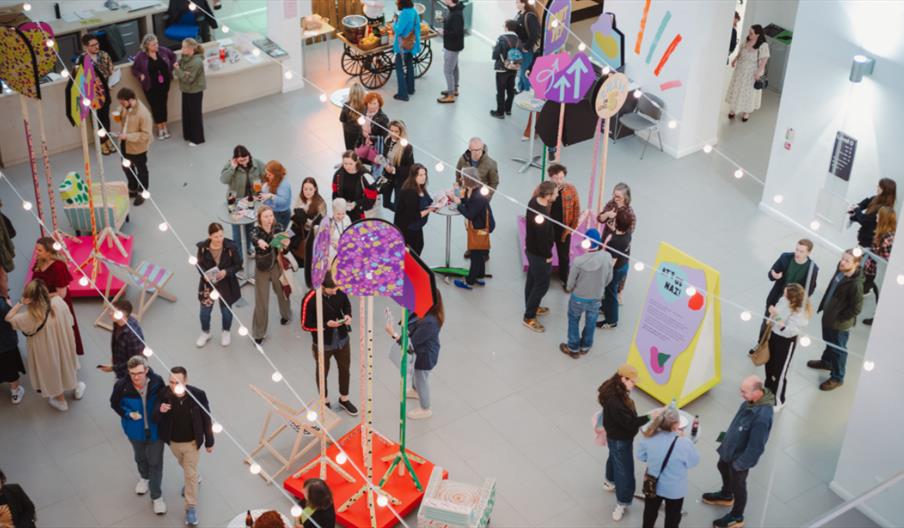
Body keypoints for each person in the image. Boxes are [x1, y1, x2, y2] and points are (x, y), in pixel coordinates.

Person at [702, 376, 774, 528]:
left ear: (757, 392)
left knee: (739, 485)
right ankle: (726, 494)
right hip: (730, 448)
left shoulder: (762, 417)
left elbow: (756, 447)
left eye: (744, 391)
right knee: (721, 465)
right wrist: (726, 439)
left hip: (739, 459)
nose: (741, 394)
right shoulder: (750, 402)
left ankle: (737, 516)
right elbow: (737, 423)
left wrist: (740, 465)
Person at [5, 280, 83, 411]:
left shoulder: (29, 317)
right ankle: (75, 387)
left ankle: (61, 401)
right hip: (62, 342)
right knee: (66, 363)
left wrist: (20, 303)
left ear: (29, 298)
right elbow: (70, 321)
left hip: (45, 349)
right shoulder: (58, 302)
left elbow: (8, 318)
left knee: (52, 369)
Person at [154, 366, 214, 527]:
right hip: (173, 443)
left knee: (189, 473)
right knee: (187, 468)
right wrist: (160, 410)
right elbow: (154, 416)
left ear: (186, 381)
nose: (174, 386)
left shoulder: (198, 395)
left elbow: (206, 419)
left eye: (178, 382)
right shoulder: (163, 394)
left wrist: (209, 441)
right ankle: (194, 478)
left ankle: (191, 508)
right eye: (171, 382)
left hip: (192, 443)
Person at [110, 355, 167, 515]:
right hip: (135, 430)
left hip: (156, 430)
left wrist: (161, 410)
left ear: (146, 370)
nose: (136, 377)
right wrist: (128, 414)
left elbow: (164, 399)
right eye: (132, 373)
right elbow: (114, 403)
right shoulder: (121, 385)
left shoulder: (157, 381)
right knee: (140, 457)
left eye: (139, 373)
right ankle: (144, 477)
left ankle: (157, 497)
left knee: (156, 463)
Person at [300, 272, 358, 416]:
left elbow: (347, 306)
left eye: (337, 288)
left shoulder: (339, 290)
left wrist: (348, 316)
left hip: (342, 340)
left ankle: (344, 399)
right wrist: (325, 325)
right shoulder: (310, 299)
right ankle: (324, 401)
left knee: (345, 370)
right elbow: (305, 325)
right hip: (323, 344)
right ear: (323, 287)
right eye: (332, 289)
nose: (336, 291)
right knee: (322, 373)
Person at [598, 364, 650, 522]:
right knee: (625, 472)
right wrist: (649, 417)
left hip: (614, 437)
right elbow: (631, 423)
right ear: (623, 378)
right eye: (632, 382)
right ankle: (622, 502)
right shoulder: (617, 401)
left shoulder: (611, 389)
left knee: (614, 457)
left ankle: (609, 481)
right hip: (621, 439)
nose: (634, 385)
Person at [807, 249, 864, 391]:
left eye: (847, 261)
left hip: (838, 323)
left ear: (856, 264)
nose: (842, 262)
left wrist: (838, 317)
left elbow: (856, 309)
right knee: (829, 342)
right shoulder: (840, 270)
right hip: (829, 316)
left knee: (838, 350)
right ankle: (827, 362)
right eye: (842, 259)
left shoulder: (856, 285)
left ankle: (838, 377)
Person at [638, 407, 700, 528]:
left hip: (652, 485)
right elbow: (693, 462)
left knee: (649, 513)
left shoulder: (648, 437)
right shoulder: (684, 443)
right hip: (675, 490)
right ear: (677, 424)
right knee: (673, 517)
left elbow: (641, 456)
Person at [385, 291, 444, 419]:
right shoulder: (423, 311)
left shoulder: (430, 322)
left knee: (421, 378)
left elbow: (410, 344)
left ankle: (425, 407)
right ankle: (415, 391)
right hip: (419, 352)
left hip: (425, 356)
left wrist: (393, 334)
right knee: (416, 375)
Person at [562, 228, 612, 357]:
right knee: (591, 322)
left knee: (574, 320)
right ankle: (585, 346)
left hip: (578, 298)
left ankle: (573, 348)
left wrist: (570, 288)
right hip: (596, 298)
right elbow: (609, 279)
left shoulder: (578, 261)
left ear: (585, 242)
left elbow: (570, 283)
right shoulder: (607, 257)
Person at [31, 237, 84, 356]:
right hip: (43, 302)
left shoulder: (59, 267)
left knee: (61, 331)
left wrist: (39, 297)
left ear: (49, 252)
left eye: (39, 250)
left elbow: (62, 294)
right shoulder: (39, 261)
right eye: (36, 250)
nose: (36, 253)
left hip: (57, 305)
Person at [764, 283, 810, 411]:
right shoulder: (784, 300)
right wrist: (772, 316)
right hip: (774, 336)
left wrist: (776, 316)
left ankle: (779, 400)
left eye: (786, 294)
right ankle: (768, 390)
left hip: (786, 342)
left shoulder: (800, 312)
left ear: (793, 298)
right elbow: (777, 314)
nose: (783, 296)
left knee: (780, 371)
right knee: (769, 364)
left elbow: (789, 330)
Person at [196, 222, 243, 347]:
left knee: (226, 311)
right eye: (216, 236)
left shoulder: (231, 248)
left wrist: (226, 271)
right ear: (210, 236)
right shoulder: (202, 248)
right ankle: (205, 332)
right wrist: (204, 274)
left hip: (226, 284)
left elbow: (238, 265)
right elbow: (199, 264)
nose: (219, 239)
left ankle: (226, 331)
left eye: (221, 236)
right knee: (204, 311)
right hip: (208, 284)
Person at [251, 206, 291, 345]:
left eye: (271, 216)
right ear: (260, 218)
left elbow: (285, 244)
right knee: (261, 300)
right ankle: (259, 332)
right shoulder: (256, 230)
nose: (269, 219)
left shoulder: (278, 227)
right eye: (266, 216)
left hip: (276, 265)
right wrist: (259, 242)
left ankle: (286, 314)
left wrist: (285, 243)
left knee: (282, 292)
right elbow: (254, 238)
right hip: (262, 268)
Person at [762, 239, 818, 336]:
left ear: (808, 253)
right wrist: (773, 275)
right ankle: (761, 344)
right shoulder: (785, 257)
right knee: (767, 322)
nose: (797, 253)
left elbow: (809, 290)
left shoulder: (813, 269)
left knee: (781, 326)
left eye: (801, 251)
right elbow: (771, 273)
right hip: (776, 297)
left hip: (791, 304)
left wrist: (796, 300)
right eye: (797, 249)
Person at [523, 181, 559, 332]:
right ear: (548, 195)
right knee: (542, 285)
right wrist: (548, 256)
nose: (557, 195)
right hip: (539, 255)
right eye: (555, 193)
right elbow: (543, 240)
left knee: (532, 279)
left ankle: (532, 306)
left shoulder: (533, 201)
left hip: (531, 250)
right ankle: (529, 316)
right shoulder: (542, 216)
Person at [450, 170, 494, 290]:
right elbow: (468, 202)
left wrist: (459, 205)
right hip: (480, 225)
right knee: (479, 254)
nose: (461, 181)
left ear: (469, 179)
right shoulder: (474, 190)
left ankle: (469, 282)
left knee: (475, 255)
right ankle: (479, 277)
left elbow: (470, 214)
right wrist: (457, 194)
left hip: (479, 228)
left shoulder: (477, 195)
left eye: (463, 179)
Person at [131, 34, 176, 140]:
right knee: (155, 106)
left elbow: (173, 56)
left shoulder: (163, 50)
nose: (156, 46)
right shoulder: (141, 56)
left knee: (163, 104)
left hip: (164, 83)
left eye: (156, 43)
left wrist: (172, 66)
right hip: (150, 86)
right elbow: (134, 69)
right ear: (147, 46)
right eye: (153, 45)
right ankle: (160, 128)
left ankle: (165, 125)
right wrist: (140, 75)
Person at [221, 145, 265, 252]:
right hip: (235, 201)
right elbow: (224, 180)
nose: (244, 162)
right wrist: (232, 168)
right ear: (236, 159)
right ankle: (239, 255)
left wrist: (259, 189)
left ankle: (248, 248)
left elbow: (265, 177)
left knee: (250, 227)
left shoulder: (258, 164)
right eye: (240, 160)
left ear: (249, 156)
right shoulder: (230, 165)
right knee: (237, 230)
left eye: (245, 159)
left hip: (252, 200)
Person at [598, 183, 636, 304]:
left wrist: (614, 230)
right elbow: (600, 219)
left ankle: (617, 293)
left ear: (625, 197)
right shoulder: (611, 204)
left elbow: (627, 234)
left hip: (618, 246)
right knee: (604, 266)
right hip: (606, 241)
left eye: (618, 196)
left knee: (616, 271)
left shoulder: (630, 214)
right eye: (614, 194)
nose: (615, 198)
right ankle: (603, 289)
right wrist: (607, 214)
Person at [115, 88, 154, 205]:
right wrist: (118, 114)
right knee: (127, 167)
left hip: (138, 148)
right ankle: (132, 188)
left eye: (123, 103)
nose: (121, 105)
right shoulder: (126, 107)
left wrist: (127, 136)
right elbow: (120, 110)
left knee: (141, 170)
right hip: (125, 145)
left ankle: (142, 192)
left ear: (131, 100)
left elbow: (145, 135)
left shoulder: (143, 114)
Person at [79, 33, 115, 155]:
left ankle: (108, 140)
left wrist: (109, 83)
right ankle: (102, 143)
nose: (96, 47)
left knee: (106, 117)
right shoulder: (82, 60)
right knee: (97, 119)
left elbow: (111, 70)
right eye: (92, 45)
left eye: (97, 44)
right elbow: (80, 79)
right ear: (85, 47)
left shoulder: (104, 55)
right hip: (92, 94)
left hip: (105, 90)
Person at [725, 24, 769, 122]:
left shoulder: (763, 45)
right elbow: (741, 52)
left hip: (751, 73)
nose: (749, 34)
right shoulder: (747, 40)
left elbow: (764, 60)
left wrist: (758, 72)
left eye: (751, 33)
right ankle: (733, 109)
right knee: (737, 89)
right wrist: (735, 59)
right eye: (749, 32)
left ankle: (746, 112)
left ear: (757, 35)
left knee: (748, 93)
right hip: (740, 71)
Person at [597, 210, 632, 330]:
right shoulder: (627, 233)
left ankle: (612, 320)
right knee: (610, 291)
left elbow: (611, 263)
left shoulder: (615, 241)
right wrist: (613, 230)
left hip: (615, 269)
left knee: (610, 293)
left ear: (617, 223)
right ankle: (605, 307)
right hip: (624, 265)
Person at [862, 206, 896, 325]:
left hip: (880, 273)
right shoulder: (882, 233)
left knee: (879, 296)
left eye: (878, 215)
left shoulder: (888, 238)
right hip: (871, 269)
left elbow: (886, 260)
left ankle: (878, 319)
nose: (876, 216)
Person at [547, 163, 580, 284]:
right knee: (546, 254)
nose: (559, 181)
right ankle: (545, 277)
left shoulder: (571, 190)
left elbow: (576, 210)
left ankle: (564, 279)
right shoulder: (545, 189)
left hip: (564, 230)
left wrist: (572, 228)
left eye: (561, 178)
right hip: (548, 229)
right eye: (556, 178)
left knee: (564, 257)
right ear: (550, 177)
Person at [394, 163, 435, 255]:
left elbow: (428, 200)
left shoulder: (420, 186)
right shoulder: (410, 192)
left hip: (416, 226)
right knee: (413, 251)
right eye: (420, 175)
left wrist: (437, 202)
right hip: (408, 228)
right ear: (414, 176)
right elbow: (413, 215)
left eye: (425, 174)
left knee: (419, 245)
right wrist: (429, 210)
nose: (424, 177)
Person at [100, 299, 145, 379]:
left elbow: (134, 362)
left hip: (131, 373)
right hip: (121, 363)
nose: (109, 313)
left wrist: (113, 368)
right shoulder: (117, 322)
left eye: (112, 311)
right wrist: (114, 358)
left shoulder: (132, 336)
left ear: (122, 314)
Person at [290, 177, 327, 270]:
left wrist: (306, 220)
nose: (307, 192)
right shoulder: (300, 197)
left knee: (304, 249)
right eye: (305, 189)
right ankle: (290, 261)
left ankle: (300, 265)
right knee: (283, 239)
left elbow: (320, 224)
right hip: (297, 227)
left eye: (310, 189)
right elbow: (293, 213)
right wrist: (297, 216)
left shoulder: (320, 203)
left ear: (315, 188)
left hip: (310, 232)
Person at [848, 177, 896, 249]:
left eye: (880, 186)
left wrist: (856, 210)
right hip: (863, 237)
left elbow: (865, 221)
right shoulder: (875, 198)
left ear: (885, 190)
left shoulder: (884, 209)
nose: (877, 187)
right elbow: (862, 204)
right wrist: (855, 210)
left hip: (869, 241)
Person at [175, 37, 206, 146]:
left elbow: (188, 79)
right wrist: (182, 72)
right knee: (187, 113)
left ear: (191, 48)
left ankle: (197, 138)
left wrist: (179, 71)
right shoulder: (185, 58)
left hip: (195, 91)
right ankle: (188, 134)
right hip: (186, 89)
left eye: (184, 47)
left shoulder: (196, 62)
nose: (181, 49)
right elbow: (183, 71)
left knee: (195, 115)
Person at [332, 151, 376, 221]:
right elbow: (335, 192)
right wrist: (338, 206)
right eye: (345, 163)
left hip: (358, 213)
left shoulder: (365, 175)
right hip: (343, 212)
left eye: (350, 164)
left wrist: (356, 203)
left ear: (356, 162)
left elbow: (372, 198)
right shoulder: (339, 174)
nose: (347, 167)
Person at [380, 120, 414, 211]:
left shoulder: (407, 147)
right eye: (391, 130)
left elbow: (410, 168)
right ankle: (402, 213)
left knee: (397, 205)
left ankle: (401, 216)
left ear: (401, 132)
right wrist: (385, 165)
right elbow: (384, 156)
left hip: (400, 179)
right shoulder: (387, 140)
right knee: (385, 204)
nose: (393, 133)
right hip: (387, 177)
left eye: (396, 131)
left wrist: (394, 170)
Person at [392, 0, 421, 101]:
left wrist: (394, 22)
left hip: (401, 46)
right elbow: (418, 26)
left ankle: (403, 94)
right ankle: (411, 89)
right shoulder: (414, 11)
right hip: (410, 44)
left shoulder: (404, 13)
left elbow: (398, 30)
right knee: (409, 66)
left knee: (399, 69)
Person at [490, 20, 519, 118]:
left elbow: (495, 55)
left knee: (501, 90)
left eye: (504, 25)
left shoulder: (502, 38)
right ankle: (508, 109)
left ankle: (500, 112)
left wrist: (494, 49)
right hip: (514, 68)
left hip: (502, 68)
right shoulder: (518, 39)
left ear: (507, 27)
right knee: (511, 89)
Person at [437, 0, 465, 103]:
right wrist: (445, 20)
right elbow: (454, 25)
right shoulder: (454, 9)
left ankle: (450, 95)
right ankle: (454, 89)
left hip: (452, 46)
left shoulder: (456, 14)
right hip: (455, 45)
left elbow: (455, 32)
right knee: (454, 68)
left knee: (448, 70)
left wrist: (443, 32)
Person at [0, 292, 25, 404]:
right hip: (5, 343)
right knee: (10, 367)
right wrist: (19, 303)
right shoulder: (1, 303)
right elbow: (10, 315)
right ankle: (15, 393)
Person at [514, 0, 541, 93]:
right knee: (521, 70)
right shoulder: (519, 14)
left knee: (525, 71)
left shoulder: (529, 16)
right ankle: (520, 89)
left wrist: (526, 47)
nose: (516, 4)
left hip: (526, 49)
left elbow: (535, 34)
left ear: (524, 3)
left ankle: (527, 92)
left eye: (518, 2)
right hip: (519, 47)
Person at [261, 160, 293, 228]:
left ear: (276, 174)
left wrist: (271, 196)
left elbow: (284, 201)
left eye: (269, 175)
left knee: (277, 237)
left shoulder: (284, 185)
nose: (267, 176)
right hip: (271, 211)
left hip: (280, 215)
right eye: (266, 173)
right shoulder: (272, 179)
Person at [339, 82, 366, 150]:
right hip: (361, 132)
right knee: (361, 151)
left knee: (350, 149)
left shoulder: (346, 105)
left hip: (348, 132)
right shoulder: (366, 106)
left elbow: (342, 119)